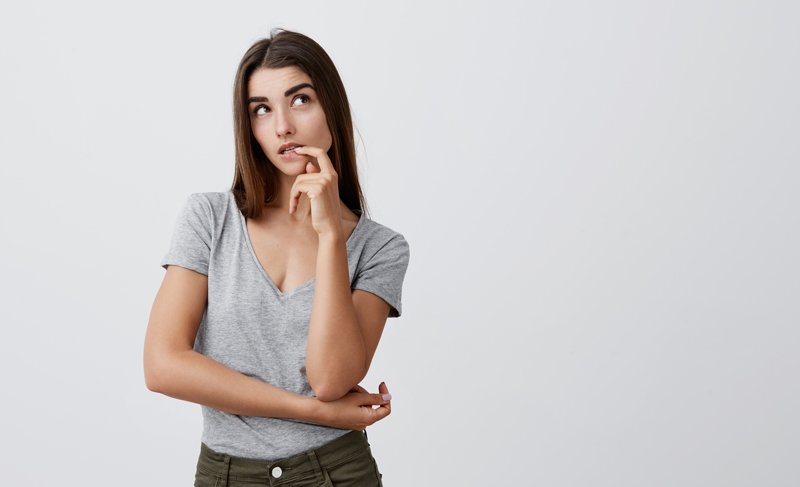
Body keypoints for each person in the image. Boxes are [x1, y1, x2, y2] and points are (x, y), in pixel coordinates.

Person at [143, 28, 410, 487]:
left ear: (331, 107)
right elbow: (162, 365)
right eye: (261, 110)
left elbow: (330, 380)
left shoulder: (381, 248)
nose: (282, 125)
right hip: (226, 474)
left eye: (300, 99)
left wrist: (329, 235)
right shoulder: (209, 218)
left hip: (336, 472)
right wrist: (310, 411)